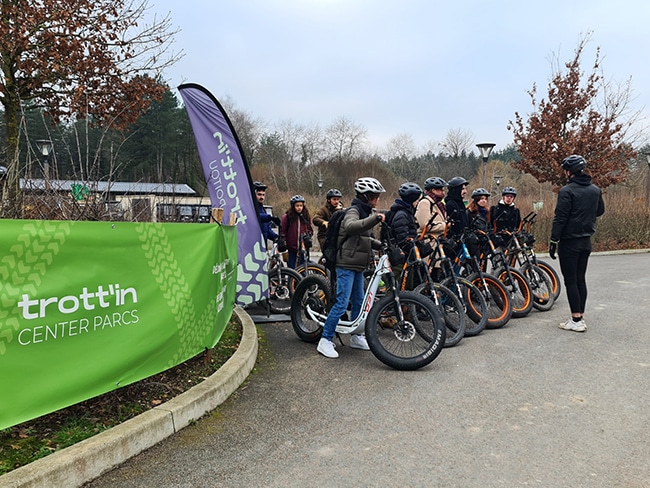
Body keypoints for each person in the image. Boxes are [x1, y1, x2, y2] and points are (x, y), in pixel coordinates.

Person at [317, 177, 386, 359]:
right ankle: (325, 340)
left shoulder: (364, 212)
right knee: (341, 303)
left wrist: (379, 245)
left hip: (358, 265)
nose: (377, 199)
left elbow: (363, 238)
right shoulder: (353, 211)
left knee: (359, 302)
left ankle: (356, 336)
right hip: (346, 264)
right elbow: (350, 227)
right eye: (375, 196)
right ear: (366, 196)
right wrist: (375, 218)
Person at [550, 155, 605, 333]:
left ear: (568, 172)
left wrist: (553, 240)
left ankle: (576, 319)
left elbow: (560, 218)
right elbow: (600, 210)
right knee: (580, 279)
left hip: (569, 242)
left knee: (571, 280)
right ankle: (580, 314)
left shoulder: (567, 191)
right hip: (586, 241)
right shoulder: (595, 190)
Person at [386, 182, 424, 289]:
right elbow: (402, 238)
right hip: (400, 258)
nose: (418, 202)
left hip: (406, 256)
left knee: (406, 284)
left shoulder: (406, 212)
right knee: (398, 285)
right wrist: (414, 246)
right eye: (416, 199)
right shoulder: (402, 215)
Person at [280, 194, 314, 269]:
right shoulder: (287, 217)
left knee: (303, 269)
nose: (299, 208)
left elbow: (310, 229)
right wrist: (284, 242)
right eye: (297, 206)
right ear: (293, 206)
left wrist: (308, 236)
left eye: (301, 206)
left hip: (303, 248)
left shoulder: (305, 216)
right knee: (292, 269)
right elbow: (283, 231)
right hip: (291, 248)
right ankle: (291, 280)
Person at [252, 181, 281, 248]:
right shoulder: (249, 207)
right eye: (259, 194)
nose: (262, 197)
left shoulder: (263, 209)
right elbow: (256, 217)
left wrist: (275, 237)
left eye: (263, 195)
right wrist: (270, 218)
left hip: (262, 247)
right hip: (251, 248)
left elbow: (267, 229)